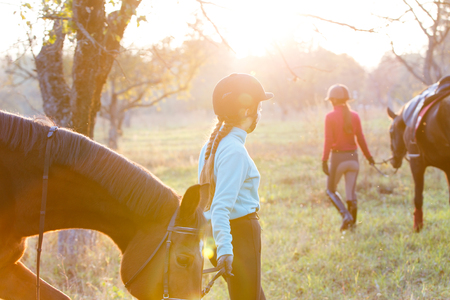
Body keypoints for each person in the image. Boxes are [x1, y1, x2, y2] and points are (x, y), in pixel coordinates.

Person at [198, 73, 272, 300]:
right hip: (237, 234)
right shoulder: (234, 151)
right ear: (247, 111)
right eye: (258, 107)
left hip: (216, 232)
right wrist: (226, 250)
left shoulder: (211, 147)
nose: (259, 113)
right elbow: (221, 206)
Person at [322, 84, 375, 231]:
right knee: (351, 193)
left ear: (332, 100)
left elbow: (328, 140)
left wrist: (324, 160)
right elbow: (361, 138)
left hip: (338, 159)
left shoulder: (330, 117)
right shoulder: (355, 116)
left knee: (330, 190)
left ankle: (346, 215)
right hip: (354, 159)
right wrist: (369, 157)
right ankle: (352, 225)